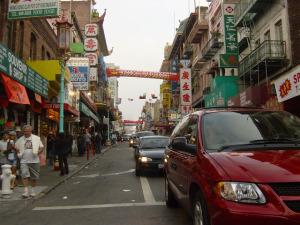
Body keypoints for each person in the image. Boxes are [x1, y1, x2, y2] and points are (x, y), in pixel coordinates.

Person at [15, 125, 44, 198]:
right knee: (25, 175)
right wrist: (18, 153)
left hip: (34, 160)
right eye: (24, 131)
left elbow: (41, 147)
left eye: (27, 131)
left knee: (34, 177)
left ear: (31, 131)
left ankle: (33, 190)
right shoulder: (20, 139)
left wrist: (38, 152)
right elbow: (16, 147)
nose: (26, 132)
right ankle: (26, 191)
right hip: (24, 161)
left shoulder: (36, 138)